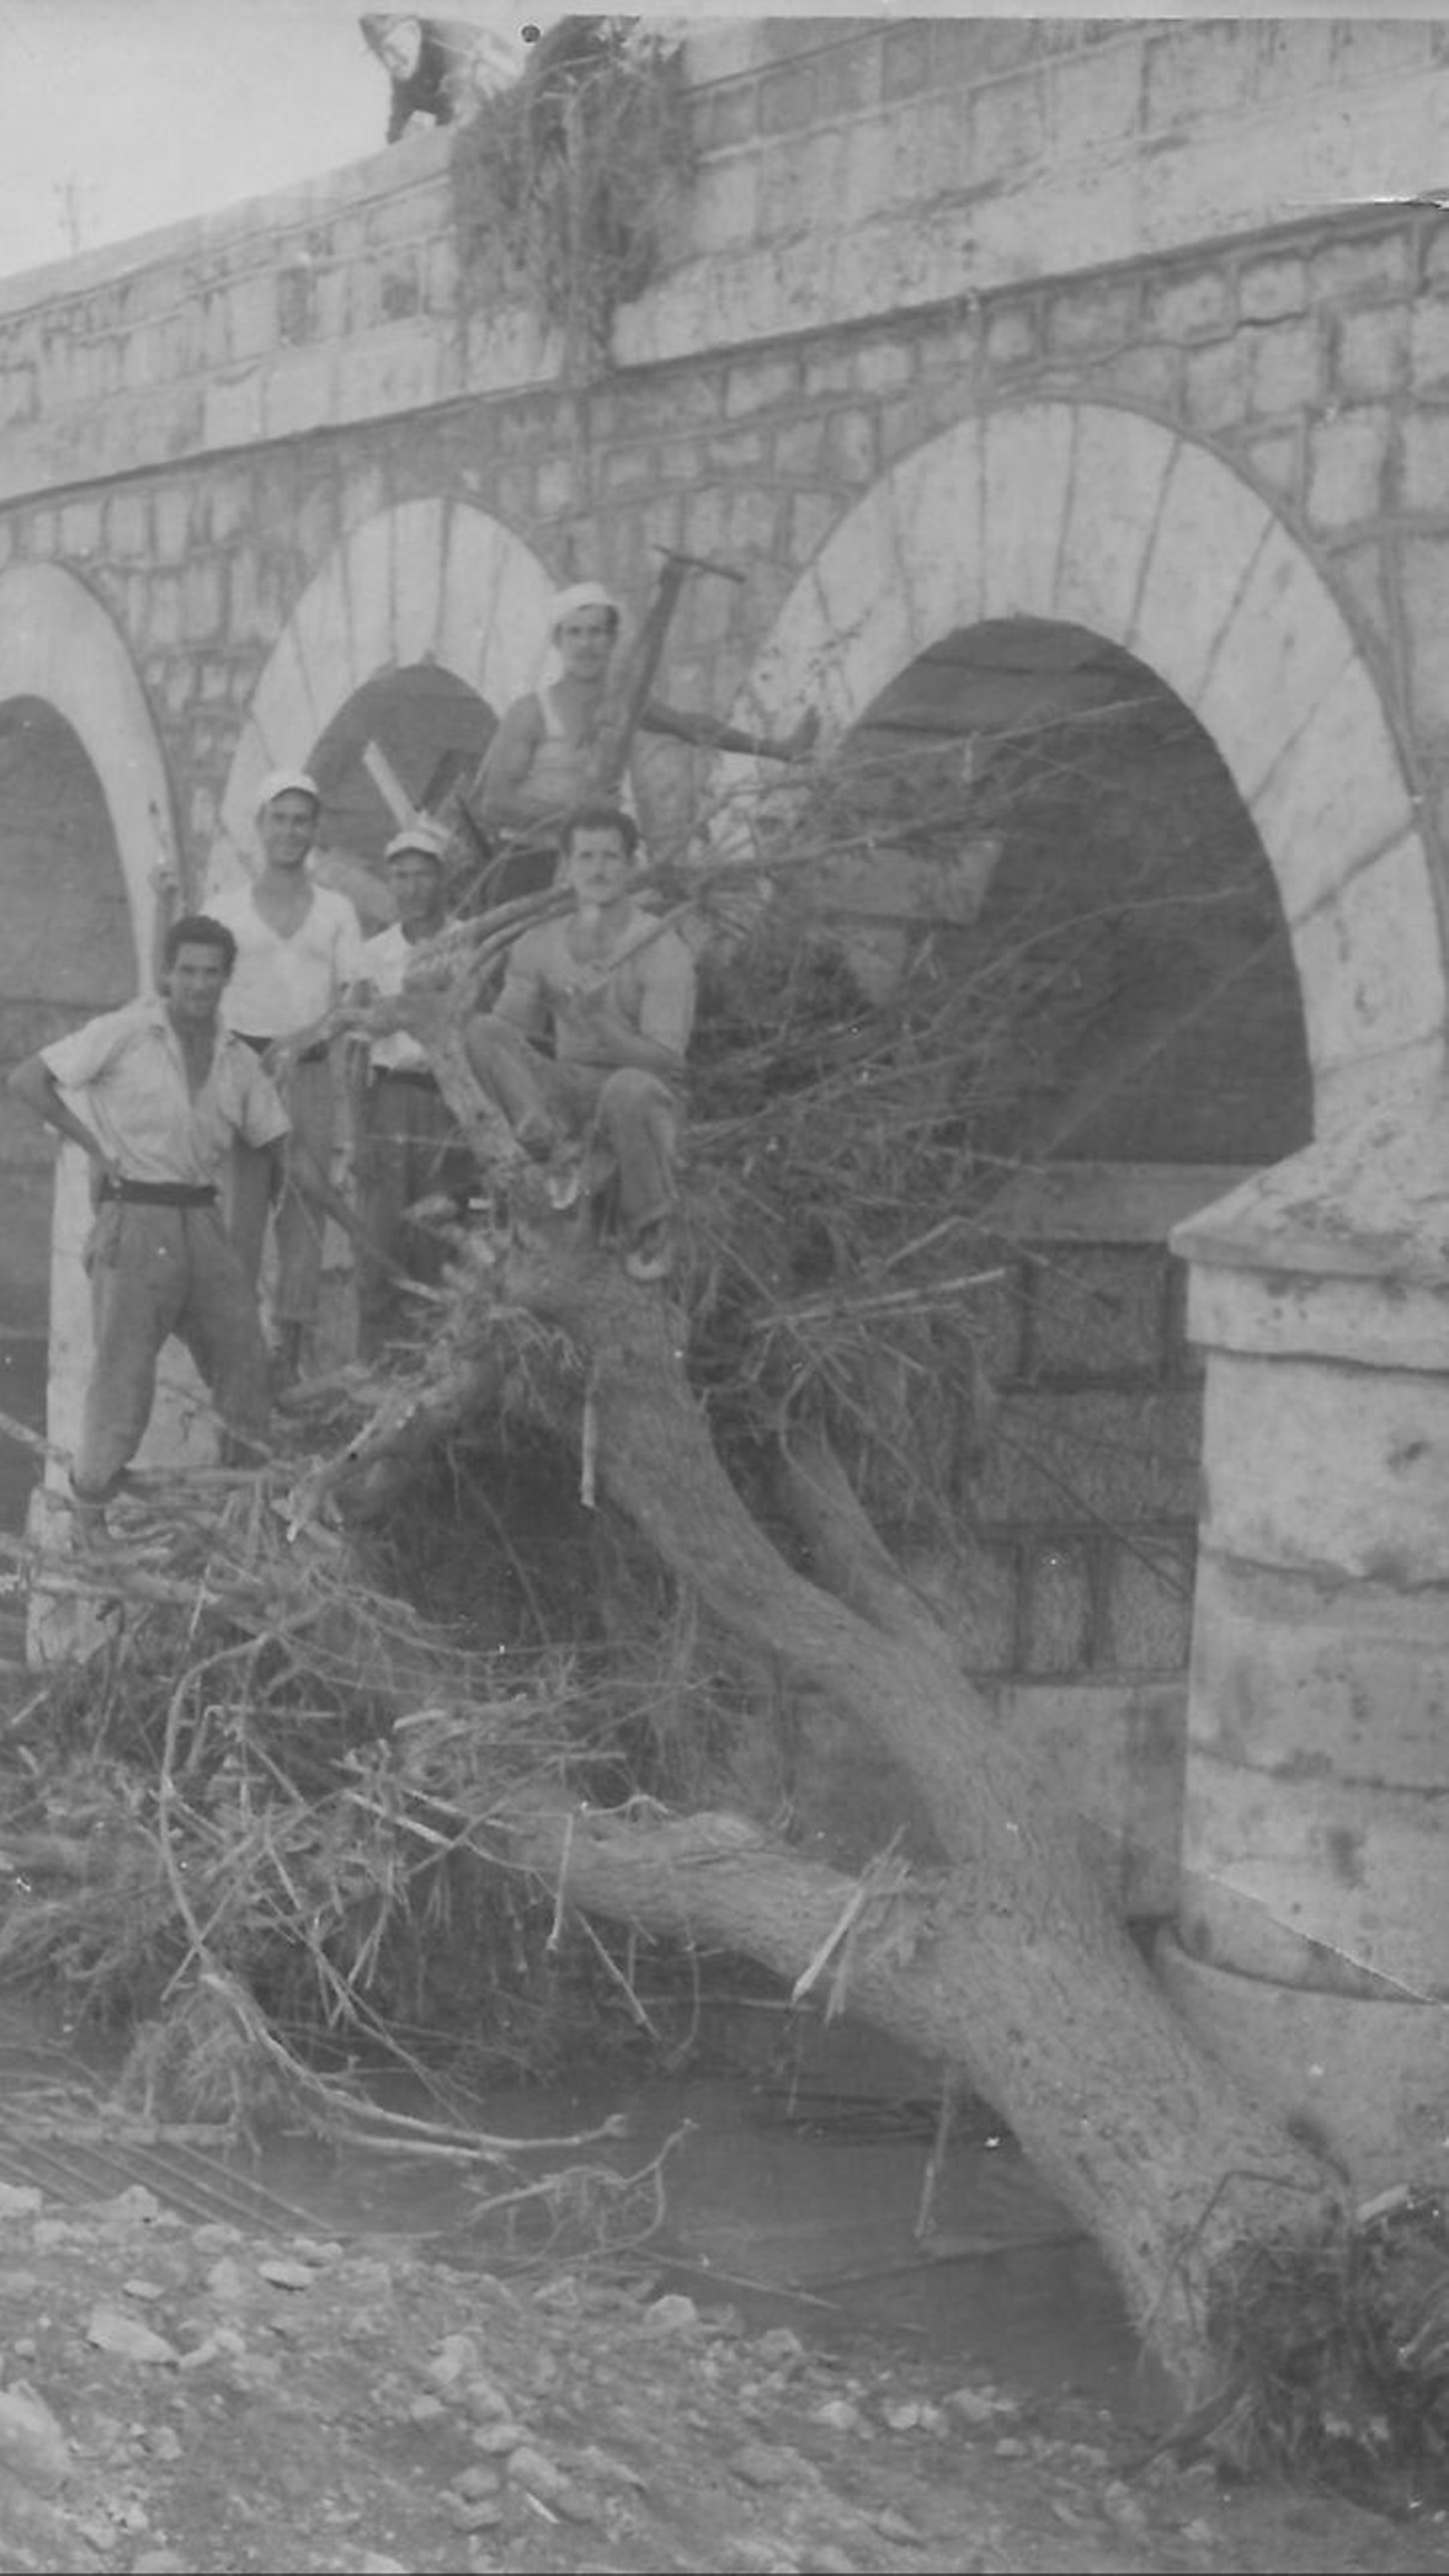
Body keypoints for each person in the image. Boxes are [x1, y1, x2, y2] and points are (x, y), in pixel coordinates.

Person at [8, 915, 288, 1518]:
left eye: (211, 973)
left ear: (226, 978)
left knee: (244, 1355)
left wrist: (335, 1207)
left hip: (201, 1220)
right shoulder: (126, 1032)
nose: (198, 984)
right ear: (167, 972)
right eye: (187, 970)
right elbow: (28, 1079)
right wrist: (95, 1147)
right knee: (124, 1372)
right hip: (136, 1216)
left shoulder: (236, 1057)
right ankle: (89, 1510)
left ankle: (247, 1506)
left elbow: (277, 1139)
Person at [464, 804, 694, 1283]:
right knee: (481, 1032)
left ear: (632, 865)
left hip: (638, 1091)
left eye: (611, 857)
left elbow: (667, 1063)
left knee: (629, 1088)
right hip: (567, 1084)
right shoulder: (542, 940)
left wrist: (601, 1019)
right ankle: (545, 1145)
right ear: (566, 866)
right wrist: (463, 1004)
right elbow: (508, 1028)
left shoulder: (660, 946)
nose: (598, 869)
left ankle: (649, 1223)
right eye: (585, 857)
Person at [468, 581, 817, 896]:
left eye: (596, 632)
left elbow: (692, 728)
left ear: (612, 640)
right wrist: (577, 816)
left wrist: (777, 750)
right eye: (574, 633)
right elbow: (495, 803)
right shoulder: (530, 712)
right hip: (528, 865)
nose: (586, 645)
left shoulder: (622, 707)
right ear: (558, 641)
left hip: (590, 867)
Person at [203, 771, 365, 1384]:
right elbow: (192, 989)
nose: (290, 831)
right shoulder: (225, 909)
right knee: (240, 1209)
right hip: (243, 1069)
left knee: (304, 1208)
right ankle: (237, 1345)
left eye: (302, 820)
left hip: (310, 1068)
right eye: (280, 818)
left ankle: (287, 1349)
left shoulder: (336, 911)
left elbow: (355, 994)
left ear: (315, 829)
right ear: (260, 825)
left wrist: (305, 1040)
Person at [350, 819, 475, 1354]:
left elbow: (470, 1023)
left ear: (442, 878)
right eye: (400, 876)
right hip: (390, 1098)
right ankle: (372, 1359)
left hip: (446, 1097)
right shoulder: (373, 952)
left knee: (439, 1233)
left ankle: (435, 1358)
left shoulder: (466, 942)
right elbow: (357, 1038)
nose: (411, 887)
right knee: (380, 1233)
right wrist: (356, 1129)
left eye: (423, 874)